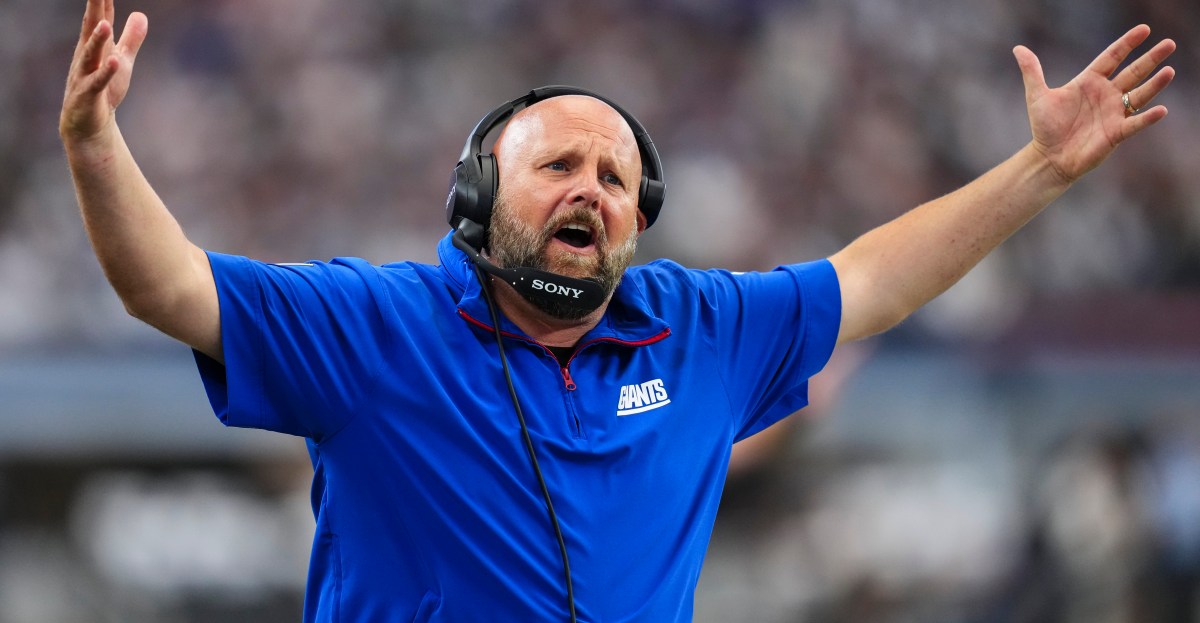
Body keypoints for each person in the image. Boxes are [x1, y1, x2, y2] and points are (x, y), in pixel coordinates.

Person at [60, 0, 1177, 620]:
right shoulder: (373, 324)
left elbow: (875, 276)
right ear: (475, 195)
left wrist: (1040, 169)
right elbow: (169, 285)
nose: (591, 187)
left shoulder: (700, 328)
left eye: (614, 175)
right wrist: (96, 145)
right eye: (558, 165)